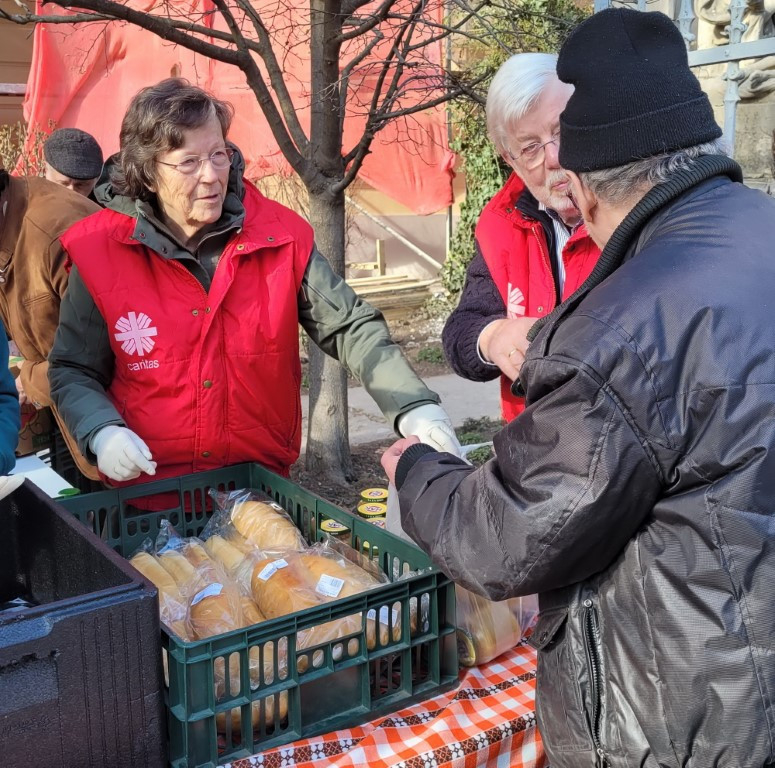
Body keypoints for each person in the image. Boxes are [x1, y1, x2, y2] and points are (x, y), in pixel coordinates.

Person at [382, 8, 775, 767]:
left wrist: (420, 473)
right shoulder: (757, 225)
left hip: (690, 704)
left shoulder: (627, 325)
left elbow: (507, 536)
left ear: (588, 188)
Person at [49, 78, 461, 486]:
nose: (211, 176)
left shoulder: (280, 237)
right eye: (189, 162)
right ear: (149, 174)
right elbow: (73, 369)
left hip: (260, 488)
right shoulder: (100, 250)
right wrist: (101, 430)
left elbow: (351, 327)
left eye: (219, 154)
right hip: (149, 491)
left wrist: (414, 407)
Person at [442, 53, 599, 421]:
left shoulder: (631, 207)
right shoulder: (502, 223)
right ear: (508, 158)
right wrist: (494, 337)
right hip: (533, 440)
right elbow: (461, 330)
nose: (554, 157)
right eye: (530, 148)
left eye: (563, 131)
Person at [0, 167, 100, 483]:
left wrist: (27, 381)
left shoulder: (56, 231)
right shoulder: (9, 219)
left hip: (113, 428)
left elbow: (102, 352)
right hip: (71, 415)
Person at [44, 128, 104, 199]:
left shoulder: (104, 201)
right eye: (64, 183)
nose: (71, 192)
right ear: (46, 170)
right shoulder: (33, 201)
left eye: (80, 185)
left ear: (95, 181)